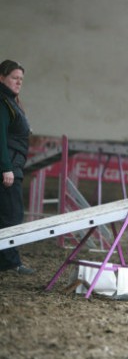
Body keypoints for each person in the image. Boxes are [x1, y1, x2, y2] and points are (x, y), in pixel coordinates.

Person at [0, 59, 35, 275]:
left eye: (21, 79)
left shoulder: (11, 101)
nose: (19, 82)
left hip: (12, 165)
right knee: (12, 217)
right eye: (14, 78)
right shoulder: (3, 103)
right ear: (1, 78)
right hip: (8, 168)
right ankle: (10, 263)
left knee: (7, 215)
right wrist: (6, 167)